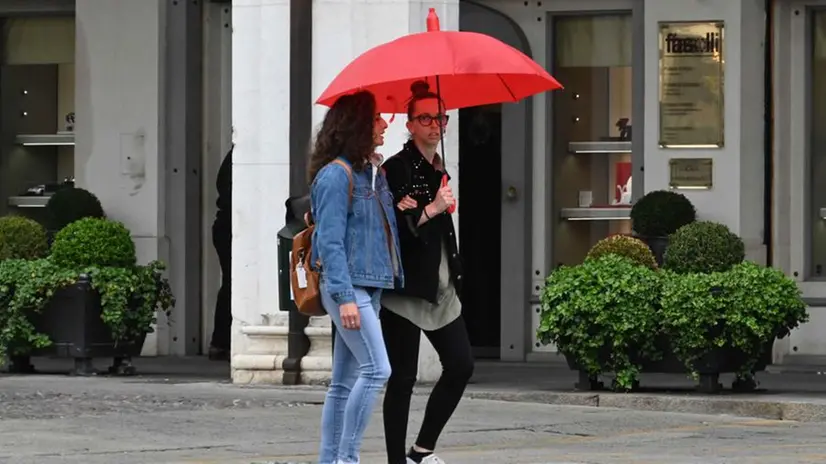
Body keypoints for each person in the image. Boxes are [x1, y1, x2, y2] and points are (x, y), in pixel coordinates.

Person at [380, 81, 475, 464]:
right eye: (426, 118)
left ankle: (422, 450)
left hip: (440, 284)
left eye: (441, 117)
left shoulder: (440, 167)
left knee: (460, 366)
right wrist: (432, 208)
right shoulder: (396, 169)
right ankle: (396, 462)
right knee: (402, 379)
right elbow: (398, 229)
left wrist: (428, 207)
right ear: (410, 123)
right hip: (405, 289)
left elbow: (418, 219)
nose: (435, 125)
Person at [309, 90, 404, 464]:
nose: (384, 124)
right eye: (378, 118)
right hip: (350, 287)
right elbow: (330, 241)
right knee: (378, 369)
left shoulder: (368, 173)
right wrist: (345, 296)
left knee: (343, 383)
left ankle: (330, 461)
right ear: (358, 126)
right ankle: (347, 459)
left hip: (369, 284)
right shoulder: (336, 175)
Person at [209, 144, 234, 361]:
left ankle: (220, 342)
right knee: (232, 284)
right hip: (229, 225)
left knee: (229, 283)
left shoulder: (233, 156)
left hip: (224, 224)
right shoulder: (239, 155)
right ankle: (221, 341)